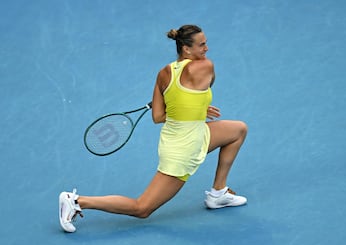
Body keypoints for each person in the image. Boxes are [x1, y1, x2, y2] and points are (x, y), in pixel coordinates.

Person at [59, 25, 248, 233]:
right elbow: (205, 86)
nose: (207, 49)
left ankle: (218, 193)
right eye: (202, 45)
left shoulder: (164, 73)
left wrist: (194, 109)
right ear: (186, 49)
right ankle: (77, 201)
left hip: (188, 134)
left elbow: (158, 116)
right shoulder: (205, 67)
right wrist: (197, 108)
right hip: (183, 151)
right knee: (142, 208)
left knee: (238, 130)